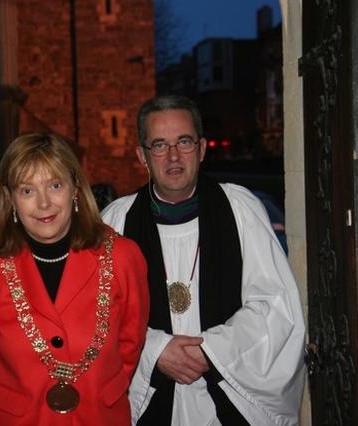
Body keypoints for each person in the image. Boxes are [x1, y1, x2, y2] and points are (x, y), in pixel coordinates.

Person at [101, 95, 306, 425]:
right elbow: (98, 315)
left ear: (202, 148)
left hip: (228, 395)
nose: (173, 156)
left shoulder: (240, 209)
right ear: (142, 155)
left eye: (183, 141)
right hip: (150, 395)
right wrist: (154, 350)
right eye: (159, 145)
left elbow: (275, 308)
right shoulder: (116, 222)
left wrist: (210, 350)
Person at [0, 132, 150, 425]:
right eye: (27, 191)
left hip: (98, 417)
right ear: (9, 198)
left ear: (74, 188)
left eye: (55, 185)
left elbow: (129, 344)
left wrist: (98, 390)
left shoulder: (123, 256)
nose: (44, 203)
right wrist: (16, 396)